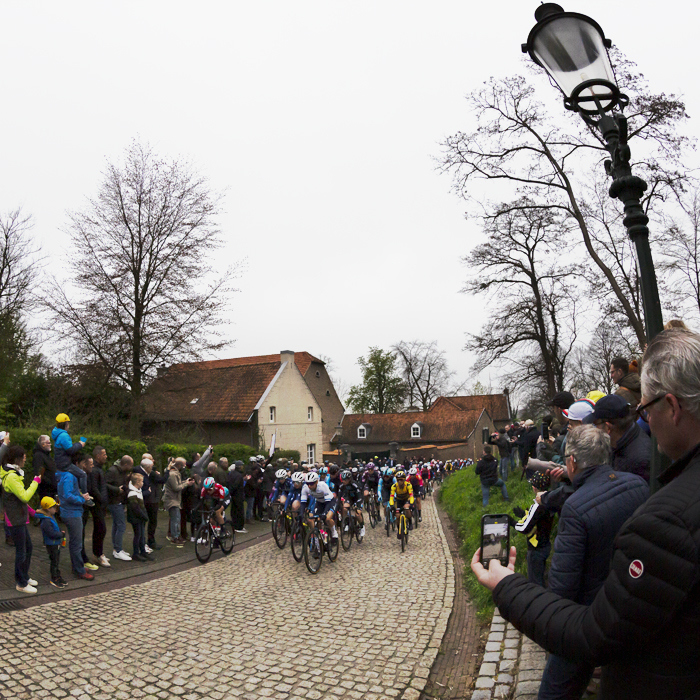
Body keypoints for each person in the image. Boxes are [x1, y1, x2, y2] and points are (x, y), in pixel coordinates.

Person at [470, 329, 700, 699]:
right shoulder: (638, 486)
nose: (645, 423)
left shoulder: (664, 517)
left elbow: (593, 632)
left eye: (645, 410)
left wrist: (506, 585)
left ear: (671, 408)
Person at [537, 425, 649, 700]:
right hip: (631, 602)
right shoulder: (638, 485)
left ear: (572, 462)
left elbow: (563, 584)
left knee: (554, 690)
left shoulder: (575, 508)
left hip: (589, 616)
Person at [1, 444, 41, 593]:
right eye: (24, 456)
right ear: (17, 458)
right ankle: (21, 583)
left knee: (28, 548)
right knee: (21, 551)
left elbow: (17, 499)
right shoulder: (12, 476)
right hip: (15, 519)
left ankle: (24, 575)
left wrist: (32, 512)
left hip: (19, 518)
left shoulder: (13, 474)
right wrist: (35, 482)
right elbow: (24, 496)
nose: (25, 458)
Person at [584, 394, 651, 482]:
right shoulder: (618, 443)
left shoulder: (639, 461)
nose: (595, 429)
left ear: (608, 428)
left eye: (596, 424)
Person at [512, 471, 554, 587]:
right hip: (546, 545)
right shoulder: (550, 501)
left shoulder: (537, 506)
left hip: (536, 549)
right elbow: (538, 520)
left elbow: (525, 528)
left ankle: (539, 602)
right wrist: (523, 514)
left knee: (535, 583)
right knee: (540, 576)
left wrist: (513, 523)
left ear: (534, 488)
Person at [56, 453, 94, 581]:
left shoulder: (68, 475)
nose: (84, 467)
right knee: (76, 543)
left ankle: (78, 566)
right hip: (72, 513)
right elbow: (67, 495)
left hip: (72, 512)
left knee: (75, 542)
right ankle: (79, 570)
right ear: (76, 464)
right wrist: (82, 498)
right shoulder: (69, 476)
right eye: (83, 464)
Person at [51, 414, 93, 507]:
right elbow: (70, 450)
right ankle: (86, 496)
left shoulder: (57, 434)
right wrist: (80, 444)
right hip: (65, 464)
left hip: (60, 464)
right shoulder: (63, 435)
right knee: (83, 474)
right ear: (66, 423)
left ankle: (79, 493)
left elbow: (67, 447)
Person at [84, 446, 109, 567]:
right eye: (104, 454)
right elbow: (93, 488)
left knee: (101, 529)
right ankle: (97, 554)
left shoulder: (99, 469)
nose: (106, 456)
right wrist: (101, 499)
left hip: (101, 504)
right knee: (101, 529)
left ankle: (98, 553)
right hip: (97, 504)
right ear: (98, 456)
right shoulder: (94, 471)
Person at [35, 496, 67, 588]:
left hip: (55, 543)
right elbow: (51, 533)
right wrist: (61, 534)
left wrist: (60, 531)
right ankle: (54, 578)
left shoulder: (50, 516)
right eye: (55, 507)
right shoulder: (46, 520)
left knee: (56, 561)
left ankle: (57, 575)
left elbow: (55, 527)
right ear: (49, 509)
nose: (56, 509)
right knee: (54, 561)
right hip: (52, 544)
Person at [106, 455, 133, 561]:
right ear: (125, 464)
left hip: (119, 501)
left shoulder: (121, 472)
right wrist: (117, 490)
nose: (131, 467)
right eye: (130, 465)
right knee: (121, 525)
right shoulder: (112, 471)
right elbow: (105, 485)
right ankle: (117, 550)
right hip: (114, 501)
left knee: (116, 525)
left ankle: (117, 549)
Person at [163, 458, 194, 545]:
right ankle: (174, 537)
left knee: (177, 518)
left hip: (175, 500)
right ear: (179, 465)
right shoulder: (173, 474)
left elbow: (178, 483)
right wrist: (186, 484)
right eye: (183, 465)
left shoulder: (175, 473)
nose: (184, 467)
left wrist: (185, 481)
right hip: (172, 500)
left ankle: (176, 535)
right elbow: (176, 487)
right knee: (175, 519)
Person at [127, 472, 152, 561]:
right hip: (136, 518)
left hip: (140, 517)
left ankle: (143, 551)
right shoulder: (132, 494)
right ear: (137, 482)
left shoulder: (138, 490)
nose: (143, 483)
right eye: (141, 481)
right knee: (138, 535)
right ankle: (136, 553)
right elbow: (135, 509)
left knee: (142, 535)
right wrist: (144, 516)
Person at [33, 435, 57, 501]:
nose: (50, 444)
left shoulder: (47, 455)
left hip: (52, 490)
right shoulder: (38, 456)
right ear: (43, 444)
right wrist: (52, 483)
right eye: (48, 443)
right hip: (46, 491)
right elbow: (39, 474)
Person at [226, 461, 247, 533]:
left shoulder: (231, 473)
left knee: (234, 510)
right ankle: (239, 527)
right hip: (238, 495)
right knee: (240, 511)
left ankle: (234, 524)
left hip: (233, 495)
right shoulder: (239, 476)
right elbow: (236, 485)